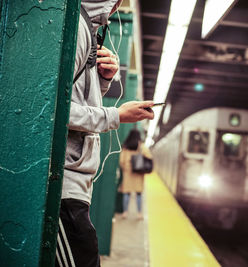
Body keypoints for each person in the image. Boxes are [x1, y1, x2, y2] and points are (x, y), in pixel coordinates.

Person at [56, 1, 155, 266]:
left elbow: (74, 98)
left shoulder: (86, 28)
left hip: (74, 184)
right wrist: (117, 115)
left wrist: (103, 80)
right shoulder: (76, 27)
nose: (116, 7)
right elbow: (55, 110)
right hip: (62, 185)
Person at [119, 129, 152, 219]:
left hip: (128, 173)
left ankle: (125, 212)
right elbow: (149, 157)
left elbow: (121, 161)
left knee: (126, 193)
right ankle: (139, 214)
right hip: (138, 172)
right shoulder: (141, 147)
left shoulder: (125, 146)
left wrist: (126, 167)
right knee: (138, 194)